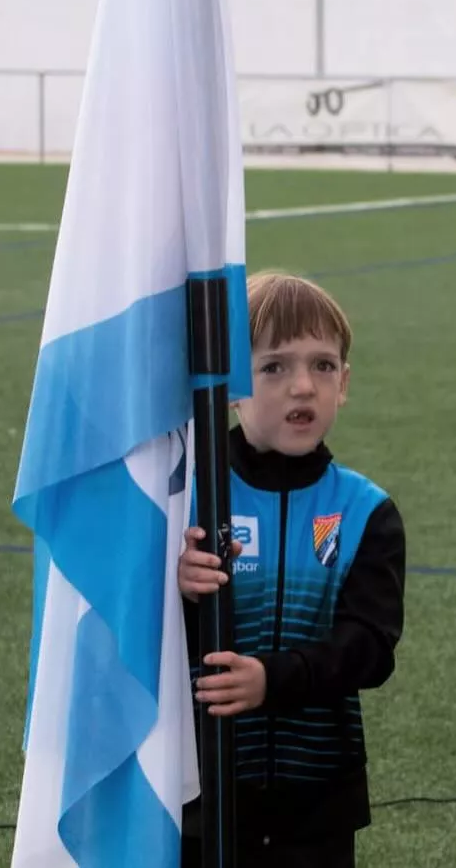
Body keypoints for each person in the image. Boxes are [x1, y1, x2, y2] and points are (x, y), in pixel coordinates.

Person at [178, 271, 406, 868]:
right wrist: (173, 588)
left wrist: (270, 679)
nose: (302, 386)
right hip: (200, 792)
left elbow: (370, 647)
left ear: (345, 382)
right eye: (274, 367)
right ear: (229, 382)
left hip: (318, 801)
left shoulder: (365, 511)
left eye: (323, 366)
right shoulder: (187, 499)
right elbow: (136, 631)